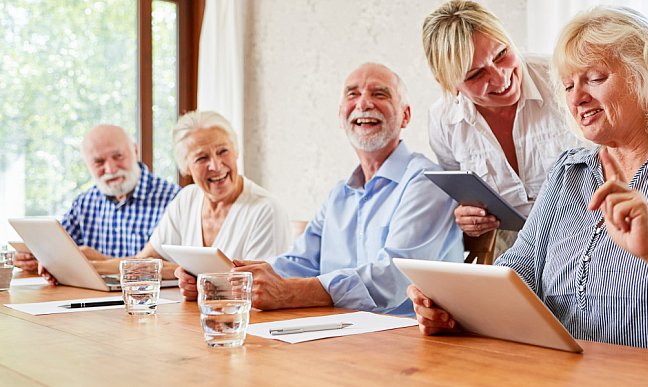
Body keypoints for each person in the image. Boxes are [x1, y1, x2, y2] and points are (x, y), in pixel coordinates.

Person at [409, 6, 648, 367]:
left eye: (595, 79)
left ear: (647, 74)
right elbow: (517, 277)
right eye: (567, 86)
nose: (577, 98)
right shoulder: (571, 172)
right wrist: (454, 307)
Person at [176, 63, 464, 316]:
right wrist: (222, 282)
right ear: (341, 116)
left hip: (409, 342)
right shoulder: (340, 194)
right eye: (353, 94)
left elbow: (394, 277)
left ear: (405, 116)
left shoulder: (428, 180)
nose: (364, 103)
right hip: (339, 334)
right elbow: (297, 262)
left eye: (380, 94)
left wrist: (290, 293)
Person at [422, 0, 583, 253]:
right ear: (448, 83)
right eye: (475, 75)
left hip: (585, 237)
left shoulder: (561, 78)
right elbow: (462, 193)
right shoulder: (443, 121)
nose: (500, 78)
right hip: (510, 252)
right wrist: (468, 216)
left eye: (501, 54)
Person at [84, 111, 291, 279]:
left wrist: (186, 273)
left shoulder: (265, 210)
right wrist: (93, 265)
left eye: (223, 151)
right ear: (186, 167)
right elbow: (142, 263)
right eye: (202, 157)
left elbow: (258, 287)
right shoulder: (187, 199)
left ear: (236, 152)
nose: (216, 166)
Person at [12, 124, 179, 272]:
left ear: (135, 152)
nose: (111, 169)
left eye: (118, 156)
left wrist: (97, 260)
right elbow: (57, 250)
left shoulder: (175, 200)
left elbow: (176, 267)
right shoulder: (85, 203)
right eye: (99, 162)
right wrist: (36, 257)